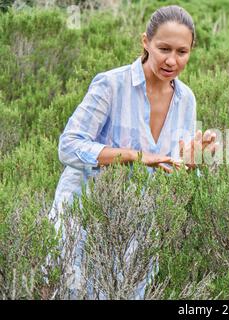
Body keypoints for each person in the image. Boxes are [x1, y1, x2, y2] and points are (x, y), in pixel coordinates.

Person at [49, 5, 218, 299]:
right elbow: (69, 146)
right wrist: (133, 156)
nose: (171, 60)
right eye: (163, 48)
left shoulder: (186, 99)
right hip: (82, 222)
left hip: (137, 233)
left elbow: (171, 170)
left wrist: (191, 165)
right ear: (145, 42)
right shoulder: (111, 85)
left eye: (182, 52)